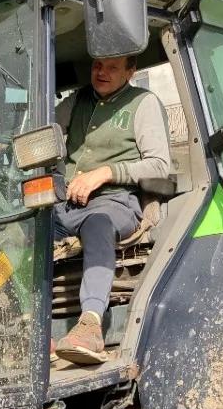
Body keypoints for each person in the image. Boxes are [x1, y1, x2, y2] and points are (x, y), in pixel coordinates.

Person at [51, 55, 170, 364]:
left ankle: (90, 323)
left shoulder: (143, 103)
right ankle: (25, 323)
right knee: (21, 233)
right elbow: (46, 132)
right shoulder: (77, 99)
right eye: (97, 65)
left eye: (113, 67)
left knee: (98, 225)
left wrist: (105, 173)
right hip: (66, 203)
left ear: (131, 72)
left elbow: (159, 164)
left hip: (115, 201)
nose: (101, 72)